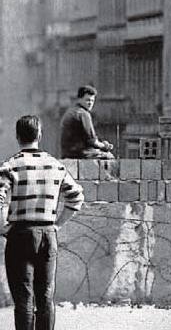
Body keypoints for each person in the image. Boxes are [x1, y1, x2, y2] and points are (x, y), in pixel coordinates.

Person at [0, 115, 85, 330]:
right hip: (47, 234)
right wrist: (57, 224)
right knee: (45, 298)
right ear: (40, 135)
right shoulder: (55, 166)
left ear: (18, 136)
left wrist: (2, 225)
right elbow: (76, 197)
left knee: (23, 299)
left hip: (19, 234)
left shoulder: (11, 166)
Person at [60, 85, 114, 159]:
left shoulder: (71, 111)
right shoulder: (83, 114)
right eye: (87, 100)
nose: (90, 103)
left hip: (67, 153)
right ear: (79, 99)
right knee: (109, 156)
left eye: (92, 101)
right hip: (79, 153)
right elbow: (93, 141)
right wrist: (105, 146)